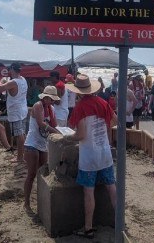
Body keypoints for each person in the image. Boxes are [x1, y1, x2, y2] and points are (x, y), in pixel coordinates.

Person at [65, 74, 117, 239]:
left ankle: (88, 228)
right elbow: (115, 121)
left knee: (89, 191)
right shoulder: (103, 102)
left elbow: (80, 134)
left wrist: (68, 137)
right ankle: (119, 221)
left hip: (89, 156)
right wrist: (101, 127)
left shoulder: (80, 107)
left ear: (78, 91)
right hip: (105, 152)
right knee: (111, 186)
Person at [23, 85, 60, 211]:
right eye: (51, 98)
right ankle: (26, 203)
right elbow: (40, 123)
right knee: (32, 173)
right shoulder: (38, 106)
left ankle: (41, 201)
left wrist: (60, 131)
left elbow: (55, 124)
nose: (53, 101)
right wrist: (55, 131)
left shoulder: (52, 109)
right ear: (46, 98)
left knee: (43, 173)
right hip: (32, 143)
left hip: (43, 144)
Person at [0, 62, 28, 164]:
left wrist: (2, 80)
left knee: (19, 135)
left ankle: (19, 157)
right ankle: (23, 155)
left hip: (16, 111)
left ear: (12, 70)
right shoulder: (23, 79)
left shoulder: (13, 82)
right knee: (22, 133)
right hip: (22, 109)